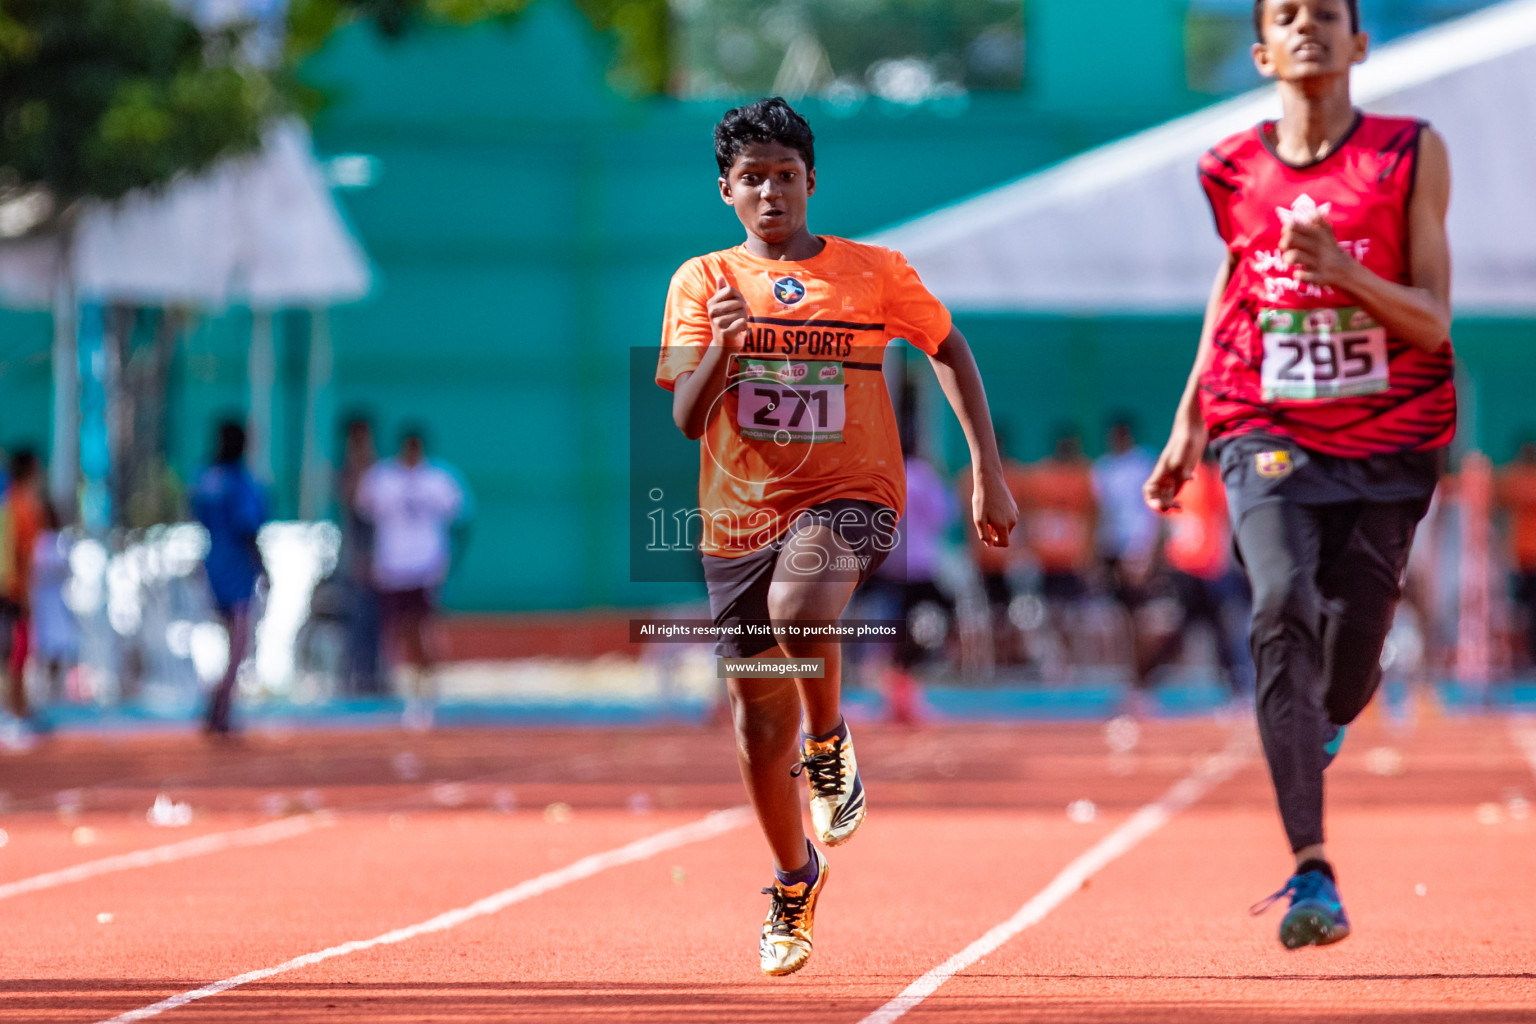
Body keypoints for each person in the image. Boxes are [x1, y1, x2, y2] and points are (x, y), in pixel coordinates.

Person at [656, 98, 1016, 976]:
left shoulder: (874, 273)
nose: (771, 191)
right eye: (753, 179)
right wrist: (724, 355)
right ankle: (793, 877)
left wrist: (988, 472)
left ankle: (830, 745)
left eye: (786, 175)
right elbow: (686, 416)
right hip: (739, 518)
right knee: (753, 722)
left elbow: (950, 348)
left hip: (853, 494)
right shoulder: (702, 282)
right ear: (726, 192)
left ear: (811, 182)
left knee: (802, 600)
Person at [1145, 0, 1456, 950]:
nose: (1308, 24)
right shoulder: (1230, 166)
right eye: (1288, 14)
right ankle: (1311, 872)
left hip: (1392, 433)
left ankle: (1320, 719)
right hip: (1264, 420)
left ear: (1360, 43)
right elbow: (1235, 278)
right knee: (1278, 598)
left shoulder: (1408, 153)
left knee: (1353, 645)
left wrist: (1339, 271)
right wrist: (1188, 419)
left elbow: (1434, 319)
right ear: (1262, 50)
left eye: (1327, 13)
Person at [356, 426, 467, 732]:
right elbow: (361, 513)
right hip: (392, 567)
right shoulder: (382, 477)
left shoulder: (439, 479)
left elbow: (461, 519)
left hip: (425, 567)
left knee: (424, 630)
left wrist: (450, 562)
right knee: (398, 632)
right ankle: (408, 692)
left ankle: (428, 690)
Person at [1140, 452, 1250, 700]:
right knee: (1194, 631)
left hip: (1205, 569)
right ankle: (1142, 685)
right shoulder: (1202, 480)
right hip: (1189, 569)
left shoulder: (1205, 480)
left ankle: (1237, 689)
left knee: (1214, 630)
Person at [191, 421, 269, 738]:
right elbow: (248, 526)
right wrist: (263, 567)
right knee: (239, 641)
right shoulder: (240, 480)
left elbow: (196, 511)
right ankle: (220, 705)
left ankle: (218, 701)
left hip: (213, 558)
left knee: (228, 638)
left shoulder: (206, 477)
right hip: (236, 562)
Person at [957, 432, 1031, 666]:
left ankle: (1012, 656)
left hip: (1009, 557)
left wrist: (1020, 551)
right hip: (984, 558)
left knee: (1015, 612)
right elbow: (968, 521)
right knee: (985, 613)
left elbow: (1024, 518)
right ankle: (985, 660)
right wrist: (975, 552)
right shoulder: (969, 478)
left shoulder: (1016, 476)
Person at [336, 415, 383, 695]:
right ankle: (355, 678)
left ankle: (372, 676)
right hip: (357, 556)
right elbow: (353, 506)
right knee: (356, 619)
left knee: (375, 621)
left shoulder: (376, 468)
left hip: (378, 557)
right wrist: (359, 558)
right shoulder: (351, 470)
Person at [1, 450, 44, 723]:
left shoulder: (12, 503)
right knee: (14, 653)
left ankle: (19, 709)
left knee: (15, 652)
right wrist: (27, 594)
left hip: (11, 585)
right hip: (13, 588)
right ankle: (14, 711)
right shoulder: (22, 506)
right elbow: (22, 554)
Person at [1496, 439, 1536, 668]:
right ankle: (1528, 655)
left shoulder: (1521, 481)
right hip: (1524, 560)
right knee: (1525, 612)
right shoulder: (1518, 481)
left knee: (1529, 612)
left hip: (1526, 559)